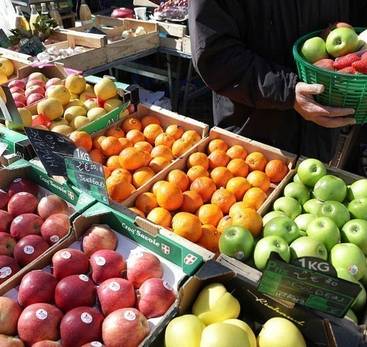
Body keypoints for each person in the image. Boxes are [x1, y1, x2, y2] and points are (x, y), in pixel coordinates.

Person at [189, 1, 367, 162]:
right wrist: (287, 91)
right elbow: (214, 55)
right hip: (254, 137)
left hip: (318, 130)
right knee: (250, 191)